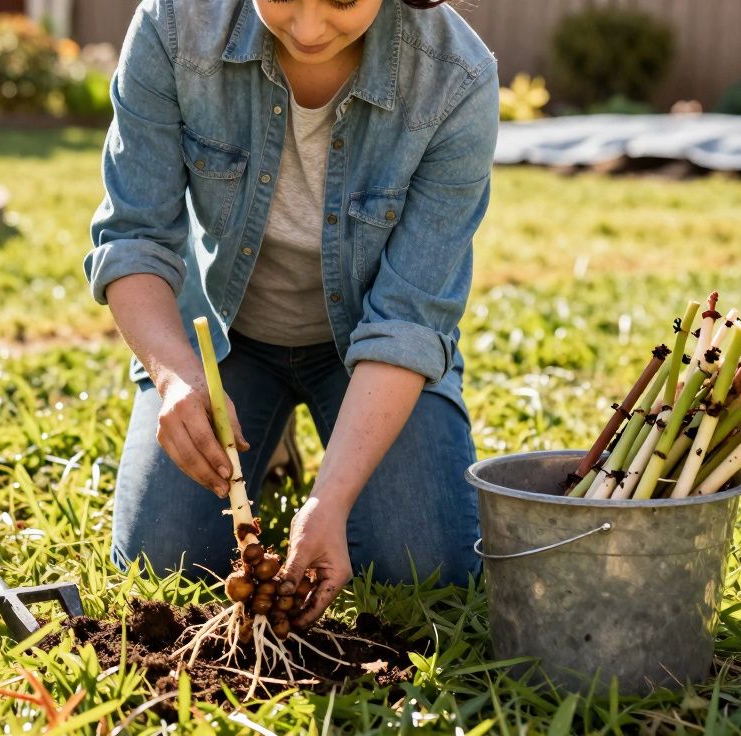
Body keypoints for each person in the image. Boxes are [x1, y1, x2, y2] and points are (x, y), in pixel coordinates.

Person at [84, 0, 498, 628]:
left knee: (426, 562)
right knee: (165, 560)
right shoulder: (174, 25)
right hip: (227, 346)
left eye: (341, 1)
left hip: (369, 352)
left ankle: (314, 460)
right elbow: (134, 236)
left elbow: (411, 318)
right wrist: (174, 378)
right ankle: (267, 444)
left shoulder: (456, 79)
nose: (308, 30)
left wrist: (332, 501)